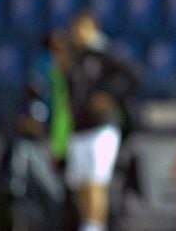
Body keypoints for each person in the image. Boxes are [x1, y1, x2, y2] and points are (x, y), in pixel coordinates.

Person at [52, 18, 141, 231]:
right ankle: (88, 225)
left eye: (81, 28)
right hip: (79, 128)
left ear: (92, 28)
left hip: (101, 127)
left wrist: (110, 95)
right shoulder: (75, 58)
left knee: (95, 182)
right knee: (81, 184)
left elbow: (133, 76)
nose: (77, 33)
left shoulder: (104, 53)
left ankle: (95, 227)